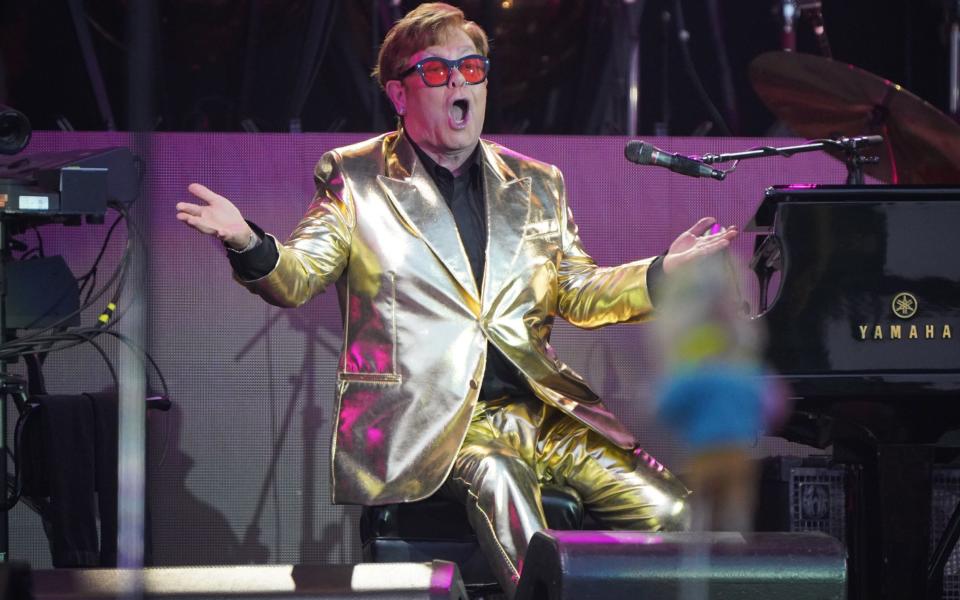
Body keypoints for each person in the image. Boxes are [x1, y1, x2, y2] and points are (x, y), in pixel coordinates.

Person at [176, 3, 737, 597]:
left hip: (539, 413)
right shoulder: (355, 178)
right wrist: (246, 241)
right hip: (437, 423)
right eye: (439, 72)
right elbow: (296, 278)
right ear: (399, 93)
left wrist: (661, 274)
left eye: (472, 68)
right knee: (504, 488)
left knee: (681, 518)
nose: (462, 83)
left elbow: (577, 291)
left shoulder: (537, 183)